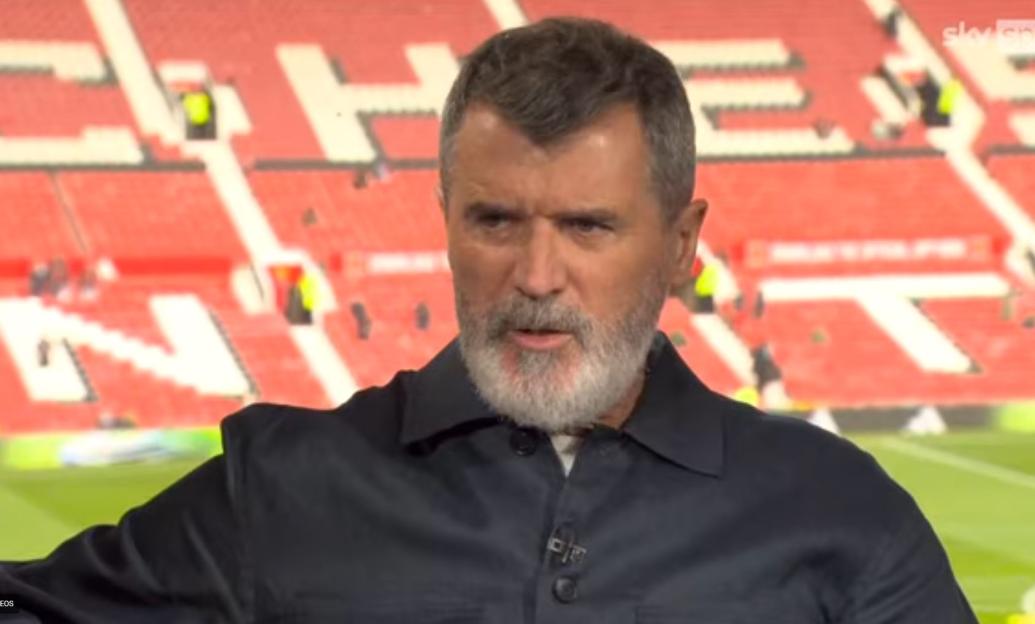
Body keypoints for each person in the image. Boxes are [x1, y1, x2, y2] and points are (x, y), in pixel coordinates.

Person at [0, 17, 976, 623]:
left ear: (681, 243)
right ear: (447, 222)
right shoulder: (283, 486)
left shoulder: (838, 513)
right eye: (495, 221)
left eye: (588, 226)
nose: (536, 277)